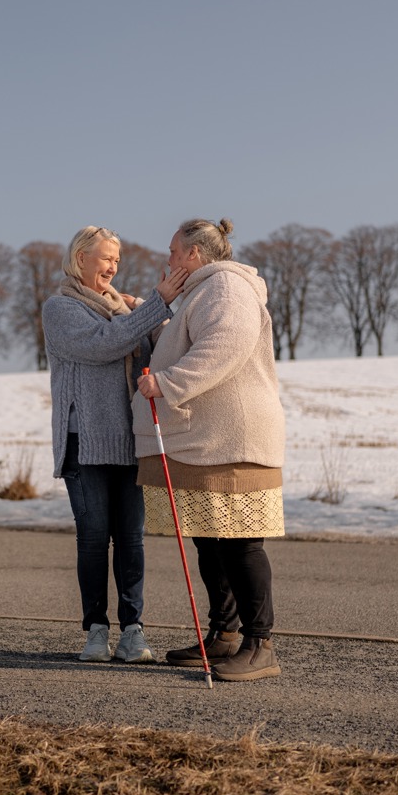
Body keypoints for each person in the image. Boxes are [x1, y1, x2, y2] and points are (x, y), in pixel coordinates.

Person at [133, 217, 286, 681]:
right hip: (206, 438)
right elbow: (183, 341)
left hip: (231, 438)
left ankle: (261, 647)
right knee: (209, 537)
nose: (169, 259)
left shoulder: (226, 288)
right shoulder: (202, 292)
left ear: (196, 254)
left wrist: (167, 383)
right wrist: (145, 308)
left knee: (240, 542)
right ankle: (225, 635)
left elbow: (224, 347)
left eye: (175, 252)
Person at [43, 225, 189, 663]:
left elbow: (154, 349)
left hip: (132, 440)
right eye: (106, 257)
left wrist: (158, 312)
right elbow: (104, 345)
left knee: (131, 538)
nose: (112, 267)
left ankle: (133, 632)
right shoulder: (60, 308)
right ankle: (96, 631)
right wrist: (155, 304)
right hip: (83, 442)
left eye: (117, 261)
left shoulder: (126, 309)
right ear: (80, 258)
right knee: (92, 538)